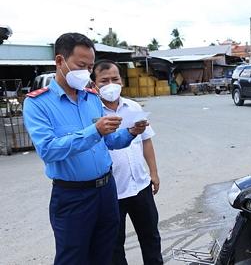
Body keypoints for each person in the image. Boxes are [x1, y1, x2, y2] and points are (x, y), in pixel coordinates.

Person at [23, 33, 148, 265]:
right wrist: (95, 131)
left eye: (90, 67)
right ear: (60, 61)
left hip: (106, 190)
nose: (86, 72)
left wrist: (131, 132)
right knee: (73, 257)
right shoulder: (37, 103)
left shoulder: (91, 98)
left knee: (105, 253)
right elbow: (49, 150)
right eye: (81, 65)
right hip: (73, 196)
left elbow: (108, 142)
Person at [90, 60, 163, 265]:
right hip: (112, 190)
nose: (111, 84)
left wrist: (154, 173)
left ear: (122, 81)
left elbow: (146, 141)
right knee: (114, 244)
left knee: (151, 237)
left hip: (140, 185)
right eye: (104, 80)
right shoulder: (93, 113)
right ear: (94, 84)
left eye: (115, 79)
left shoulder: (133, 106)